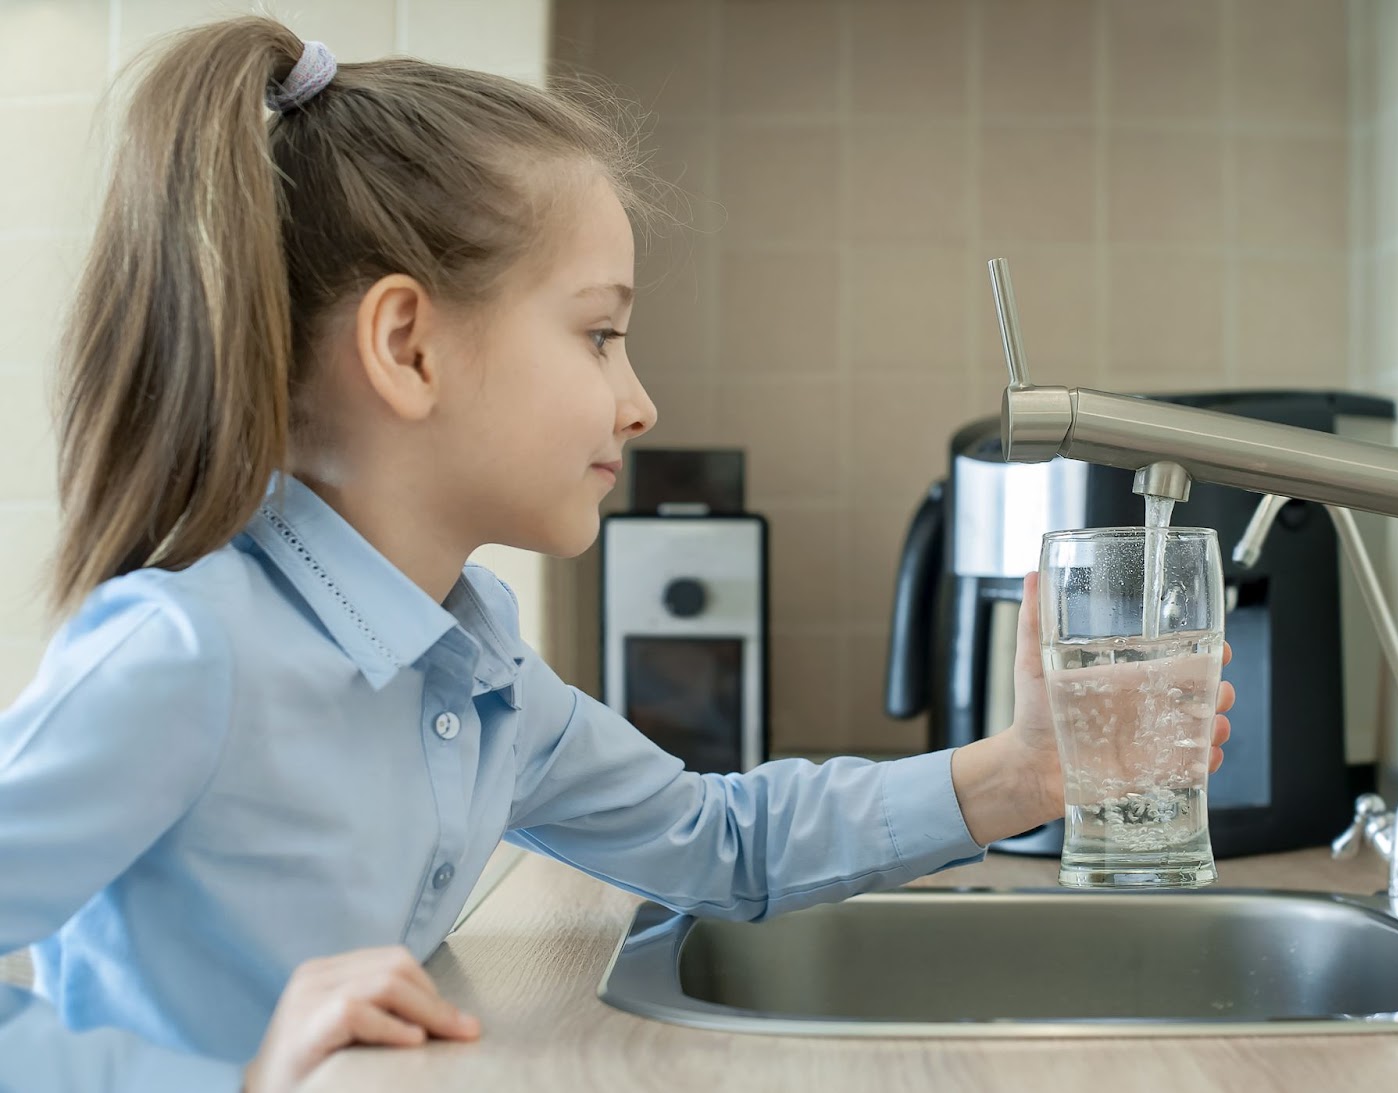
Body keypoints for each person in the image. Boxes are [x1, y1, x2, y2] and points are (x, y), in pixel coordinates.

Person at [0, 18, 1234, 1093]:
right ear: (408, 349)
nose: (639, 403)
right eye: (599, 334)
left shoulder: (472, 670)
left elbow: (717, 842)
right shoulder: (185, 654)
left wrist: (1017, 774)